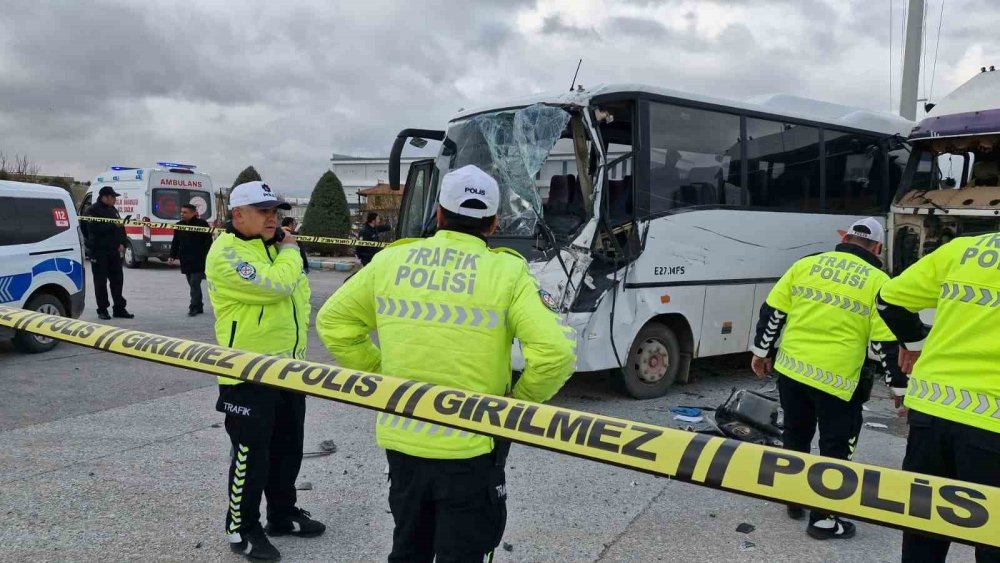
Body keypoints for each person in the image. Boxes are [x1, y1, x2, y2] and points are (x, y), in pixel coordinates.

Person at [316, 164, 576, 562]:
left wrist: (380, 373)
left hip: (403, 441)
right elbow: (555, 354)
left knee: (408, 548)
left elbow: (333, 322)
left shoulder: (391, 262)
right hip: (471, 445)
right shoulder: (506, 272)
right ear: (493, 223)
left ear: (438, 215)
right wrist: (515, 402)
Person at [749, 217, 902, 540]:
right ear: (877, 247)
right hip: (838, 380)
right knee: (836, 448)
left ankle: (793, 499)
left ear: (844, 238)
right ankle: (823, 519)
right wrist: (898, 388)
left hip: (792, 371)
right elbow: (886, 342)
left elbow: (773, 311)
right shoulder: (879, 281)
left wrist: (761, 352)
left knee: (795, 433)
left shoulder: (806, 264)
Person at [205, 180, 324, 561]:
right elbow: (277, 287)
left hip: (289, 369)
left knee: (288, 448)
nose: (273, 218)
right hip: (247, 373)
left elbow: (299, 301)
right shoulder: (226, 253)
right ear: (237, 215)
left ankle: (282, 513)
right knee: (250, 456)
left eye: (275, 211)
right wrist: (291, 250)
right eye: (263, 211)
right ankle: (241, 526)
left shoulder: (276, 249)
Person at [877, 234, 1000, 562]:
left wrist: (913, 345)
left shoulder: (965, 249)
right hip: (992, 426)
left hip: (931, 413)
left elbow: (887, 299)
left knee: (922, 529)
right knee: (994, 539)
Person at [83, 185, 134, 320]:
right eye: (113, 197)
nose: (115, 200)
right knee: (100, 282)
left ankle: (119, 308)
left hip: (114, 252)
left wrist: (122, 242)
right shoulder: (92, 211)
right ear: (104, 197)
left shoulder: (113, 210)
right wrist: (113, 225)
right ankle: (102, 309)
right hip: (99, 252)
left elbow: (120, 227)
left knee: (117, 280)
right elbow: (92, 230)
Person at [169, 203, 213, 316]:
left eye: (185, 212)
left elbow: (208, 242)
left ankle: (193, 306)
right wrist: (172, 256)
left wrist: (207, 257)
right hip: (186, 259)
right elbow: (175, 242)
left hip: (199, 259)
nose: (182, 214)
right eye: (181, 212)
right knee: (192, 284)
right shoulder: (179, 225)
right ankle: (199, 306)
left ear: (194, 213)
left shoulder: (202, 224)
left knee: (194, 283)